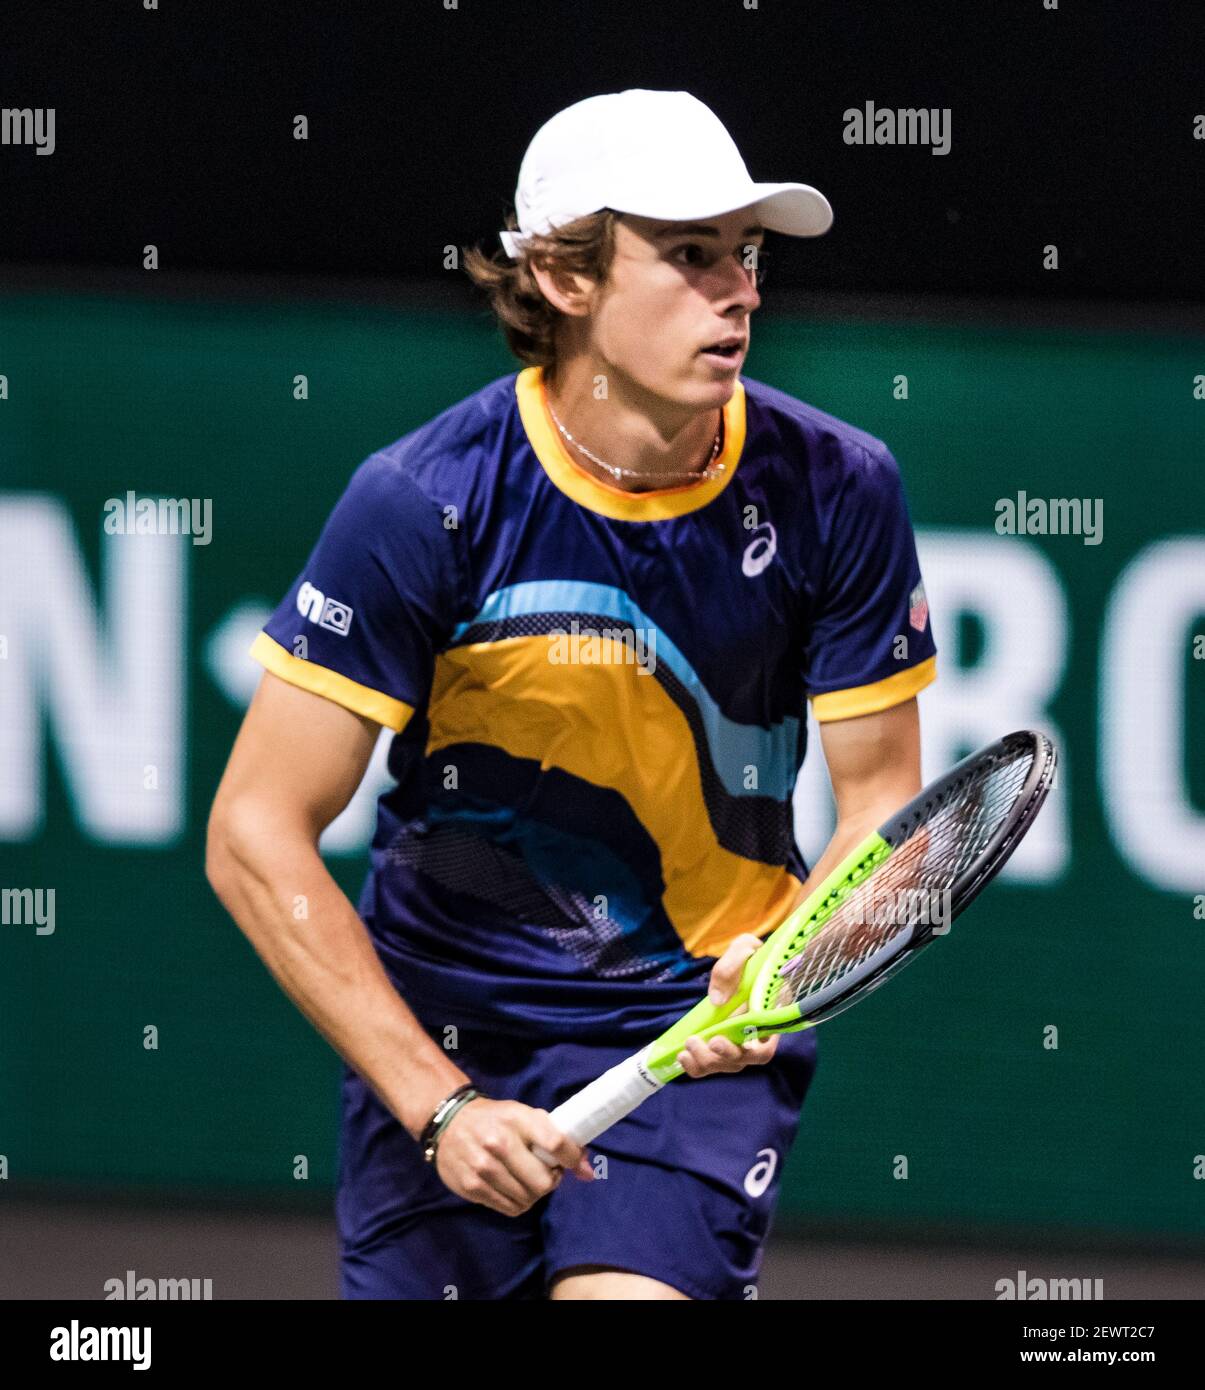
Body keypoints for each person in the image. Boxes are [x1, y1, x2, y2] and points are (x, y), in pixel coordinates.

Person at [206, 88, 937, 1301]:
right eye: (690, 254)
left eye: (745, 255)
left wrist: (789, 960)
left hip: (689, 1045)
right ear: (563, 277)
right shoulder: (420, 502)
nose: (740, 290)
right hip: (444, 1037)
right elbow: (252, 830)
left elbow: (886, 814)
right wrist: (438, 1105)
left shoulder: (837, 488)